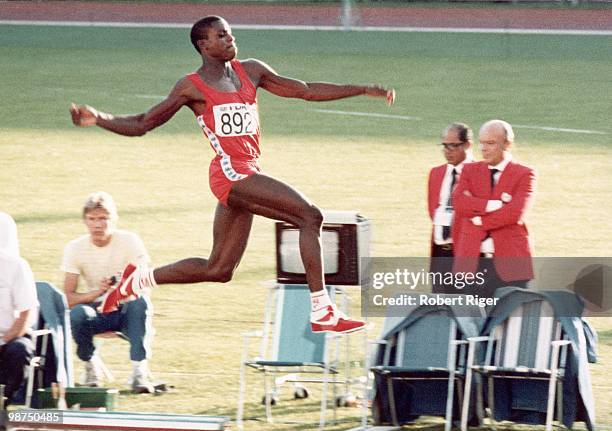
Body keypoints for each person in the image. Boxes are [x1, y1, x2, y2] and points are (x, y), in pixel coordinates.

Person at [70, 15, 395, 334]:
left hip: (248, 173)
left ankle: (137, 279)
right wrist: (99, 118)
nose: (231, 40)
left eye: (231, 34)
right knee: (310, 217)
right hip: (229, 174)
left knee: (219, 269)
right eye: (222, 36)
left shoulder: (251, 70)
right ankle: (322, 309)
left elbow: (305, 90)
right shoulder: (191, 87)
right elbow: (143, 123)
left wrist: (362, 89)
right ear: (204, 44)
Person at [61, 192, 155, 393]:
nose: (97, 225)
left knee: (141, 304)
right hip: (99, 309)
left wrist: (121, 284)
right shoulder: (75, 248)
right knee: (78, 314)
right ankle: (90, 366)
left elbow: (145, 276)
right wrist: (97, 292)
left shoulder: (130, 240)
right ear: (85, 222)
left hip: (127, 307)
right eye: (92, 219)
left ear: (113, 220)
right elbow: (67, 298)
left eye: (103, 218)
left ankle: (139, 372)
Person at [452, 120, 536, 297]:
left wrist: (479, 219)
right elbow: (459, 203)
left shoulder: (524, 173)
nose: (483, 148)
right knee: (471, 321)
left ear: (507, 144)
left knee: (512, 320)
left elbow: (514, 213)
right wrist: (492, 205)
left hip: (511, 264)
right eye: (481, 142)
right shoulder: (469, 170)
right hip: (472, 263)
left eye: (490, 143)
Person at [427, 123, 473, 293]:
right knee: (440, 308)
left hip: (465, 254)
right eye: (444, 145)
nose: (447, 150)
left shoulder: (480, 172)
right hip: (440, 255)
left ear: (467, 145)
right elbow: (432, 210)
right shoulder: (435, 173)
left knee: (466, 310)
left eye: (453, 145)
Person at [0, 212, 38, 407]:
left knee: (20, 350)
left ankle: (4, 402)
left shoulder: (17, 267)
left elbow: (26, 314)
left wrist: (2, 341)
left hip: (10, 338)